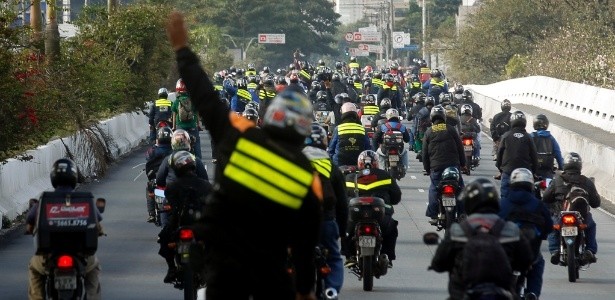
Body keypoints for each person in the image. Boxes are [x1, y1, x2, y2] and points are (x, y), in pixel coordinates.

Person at [166, 12, 323, 299]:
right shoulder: (306, 173)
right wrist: (304, 290)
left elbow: (204, 96)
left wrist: (182, 50)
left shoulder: (238, 136)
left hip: (223, 266)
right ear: (304, 127)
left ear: (271, 115)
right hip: (270, 270)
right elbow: (306, 241)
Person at [429, 178, 534, 300]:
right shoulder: (510, 230)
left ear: (469, 202)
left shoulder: (458, 231)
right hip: (502, 293)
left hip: (463, 294)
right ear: (495, 201)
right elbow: (526, 261)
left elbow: (438, 263)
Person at [27, 158, 102, 300]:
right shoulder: (83, 200)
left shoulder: (45, 200)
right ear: (74, 177)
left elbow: (30, 219)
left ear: (53, 178)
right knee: (94, 269)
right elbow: (97, 219)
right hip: (82, 257)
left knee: (34, 269)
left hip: (48, 258)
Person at [303, 124, 348, 295]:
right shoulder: (331, 166)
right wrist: (343, 232)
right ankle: (331, 292)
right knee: (334, 259)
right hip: (326, 222)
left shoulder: (295, 162)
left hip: (299, 223)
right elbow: (342, 205)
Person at [158, 150, 212, 283]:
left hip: (178, 222)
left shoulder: (172, 186)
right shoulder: (205, 185)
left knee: (163, 238)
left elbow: (170, 204)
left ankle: (171, 268)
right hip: (200, 224)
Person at [499, 168, 552, 299]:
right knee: (538, 263)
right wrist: (541, 235)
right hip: (530, 253)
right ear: (530, 184)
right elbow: (549, 226)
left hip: (506, 254)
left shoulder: (503, 204)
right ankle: (533, 293)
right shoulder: (538, 205)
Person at [343, 150, 400, 267]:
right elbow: (396, 197)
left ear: (359, 163)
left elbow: (342, 197)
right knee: (391, 228)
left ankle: (349, 256)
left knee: (344, 230)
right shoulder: (385, 175)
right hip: (380, 215)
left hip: (356, 216)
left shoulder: (349, 177)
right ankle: (387, 255)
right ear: (376, 163)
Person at [542, 152, 600, 265]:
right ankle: (590, 250)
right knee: (591, 226)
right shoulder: (586, 181)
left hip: (560, 214)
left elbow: (546, 197)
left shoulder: (558, 180)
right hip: (581, 216)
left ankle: (554, 250)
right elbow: (595, 203)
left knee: (552, 226)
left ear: (566, 164)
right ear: (579, 166)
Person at [422, 105, 466, 224]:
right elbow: (460, 148)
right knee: (460, 188)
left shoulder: (429, 132)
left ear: (432, 118)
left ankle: (433, 214)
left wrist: (427, 169)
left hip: (436, 168)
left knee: (434, 189)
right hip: (453, 166)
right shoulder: (451, 129)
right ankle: (462, 213)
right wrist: (463, 163)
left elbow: (424, 154)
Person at [495, 111, 538, 200]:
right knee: (530, 198)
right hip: (525, 173)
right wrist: (533, 172)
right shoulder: (528, 137)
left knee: (504, 198)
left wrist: (500, 169)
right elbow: (534, 156)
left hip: (508, 172)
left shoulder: (506, 136)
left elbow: (499, 154)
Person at [328, 102, 371, 166]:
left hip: (340, 164)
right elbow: (368, 149)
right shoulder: (362, 129)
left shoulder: (338, 128)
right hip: (358, 163)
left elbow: (331, 149)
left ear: (342, 113)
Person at [145, 126, 173, 222]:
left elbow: (147, 158)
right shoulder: (174, 151)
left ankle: (151, 213)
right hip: (172, 179)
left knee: (149, 188)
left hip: (157, 180)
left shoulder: (152, 151)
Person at [172, 78, 202, 159]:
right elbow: (197, 113)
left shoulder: (176, 101)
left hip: (180, 127)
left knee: (177, 144)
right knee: (196, 143)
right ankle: (199, 161)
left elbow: (174, 115)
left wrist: (174, 127)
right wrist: (198, 125)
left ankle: (175, 159)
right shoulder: (193, 100)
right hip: (192, 126)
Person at [529, 114, 563, 179]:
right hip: (548, 172)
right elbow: (558, 153)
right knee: (550, 186)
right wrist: (561, 167)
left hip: (533, 171)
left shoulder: (531, 136)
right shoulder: (551, 138)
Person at [413, 97, 435, 161]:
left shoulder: (423, 110)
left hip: (424, 131)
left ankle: (420, 150)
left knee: (417, 137)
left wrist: (416, 131)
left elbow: (417, 122)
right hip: (432, 130)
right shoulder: (436, 109)